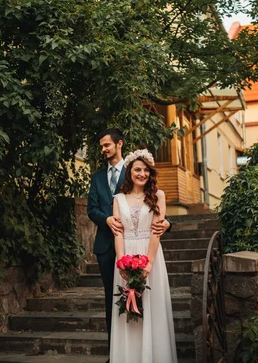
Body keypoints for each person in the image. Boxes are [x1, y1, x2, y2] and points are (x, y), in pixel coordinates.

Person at [87, 129, 171, 361]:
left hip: (144, 245)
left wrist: (167, 223)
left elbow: (155, 215)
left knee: (147, 301)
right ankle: (118, 352)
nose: (103, 149)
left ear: (119, 144)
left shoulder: (135, 168)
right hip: (109, 246)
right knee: (112, 302)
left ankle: (148, 351)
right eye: (101, 146)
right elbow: (92, 208)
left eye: (107, 145)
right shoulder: (97, 178)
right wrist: (107, 220)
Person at [109, 149, 178, 363]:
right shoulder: (118, 199)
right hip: (126, 254)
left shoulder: (158, 196)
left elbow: (157, 231)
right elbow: (118, 232)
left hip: (151, 255)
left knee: (151, 305)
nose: (142, 173)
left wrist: (148, 263)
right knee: (127, 309)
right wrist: (121, 261)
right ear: (130, 172)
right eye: (138, 169)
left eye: (146, 170)